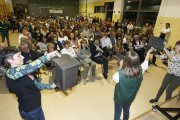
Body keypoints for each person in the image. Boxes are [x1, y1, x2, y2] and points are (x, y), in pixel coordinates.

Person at [5, 49, 60, 120]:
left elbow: (36, 84)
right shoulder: (10, 73)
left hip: (35, 106)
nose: (23, 57)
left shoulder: (22, 71)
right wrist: (48, 56)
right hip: (30, 110)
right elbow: (31, 66)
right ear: (10, 60)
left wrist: (51, 86)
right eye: (19, 56)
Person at [113, 48, 154, 120]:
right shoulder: (141, 70)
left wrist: (120, 66)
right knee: (127, 110)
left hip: (119, 98)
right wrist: (148, 52)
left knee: (117, 113)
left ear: (126, 62)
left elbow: (115, 78)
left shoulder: (119, 74)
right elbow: (146, 62)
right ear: (137, 61)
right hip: (130, 97)